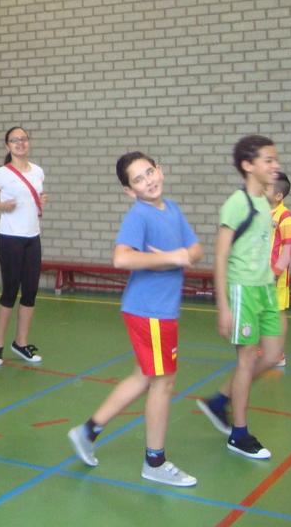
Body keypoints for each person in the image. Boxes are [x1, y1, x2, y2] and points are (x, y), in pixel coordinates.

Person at [67, 152, 202, 487]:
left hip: (160, 310)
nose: (148, 181)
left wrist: (184, 255)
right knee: (164, 382)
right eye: (138, 179)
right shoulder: (139, 214)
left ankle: (88, 431)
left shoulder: (171, 208)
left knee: (145, 376)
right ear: (130, 190)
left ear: (161, 170)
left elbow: (196, 249)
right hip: (149, 311)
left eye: (150, 172)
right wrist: (172, 258)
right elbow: (120, 258)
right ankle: (154, 462)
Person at [196, 135, 283, 461]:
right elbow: (219, 257)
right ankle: (240, 434)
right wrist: (223, 307)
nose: (275, 166)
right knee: (246, 359)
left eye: (275, 160)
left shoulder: (265, 200)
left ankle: (220, 400)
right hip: (242, 290)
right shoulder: (237, 203)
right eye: (268, 160)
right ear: (248, 165)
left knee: (272, 355)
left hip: (265, 289)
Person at [0, 126, 47, 366]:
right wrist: (1, 206)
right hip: (9, 238)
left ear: (29, 142)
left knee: (30, 291)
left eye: (23, 139)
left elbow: (36, 202)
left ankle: (20, 342)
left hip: (32, 237)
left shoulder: (38, 171)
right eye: (14, 140)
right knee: (10, 291)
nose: (20, 143)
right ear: (8, 146)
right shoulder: (2, 173)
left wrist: (41, 203)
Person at [267, 172, 291, 368]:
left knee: (277, 313)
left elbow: (287, 252)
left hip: (275, 276)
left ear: (279, 196)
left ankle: (278, 353)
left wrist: (276, 273)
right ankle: (267, 349)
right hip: (259, 275)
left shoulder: (286, 218)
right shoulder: (262, 212)